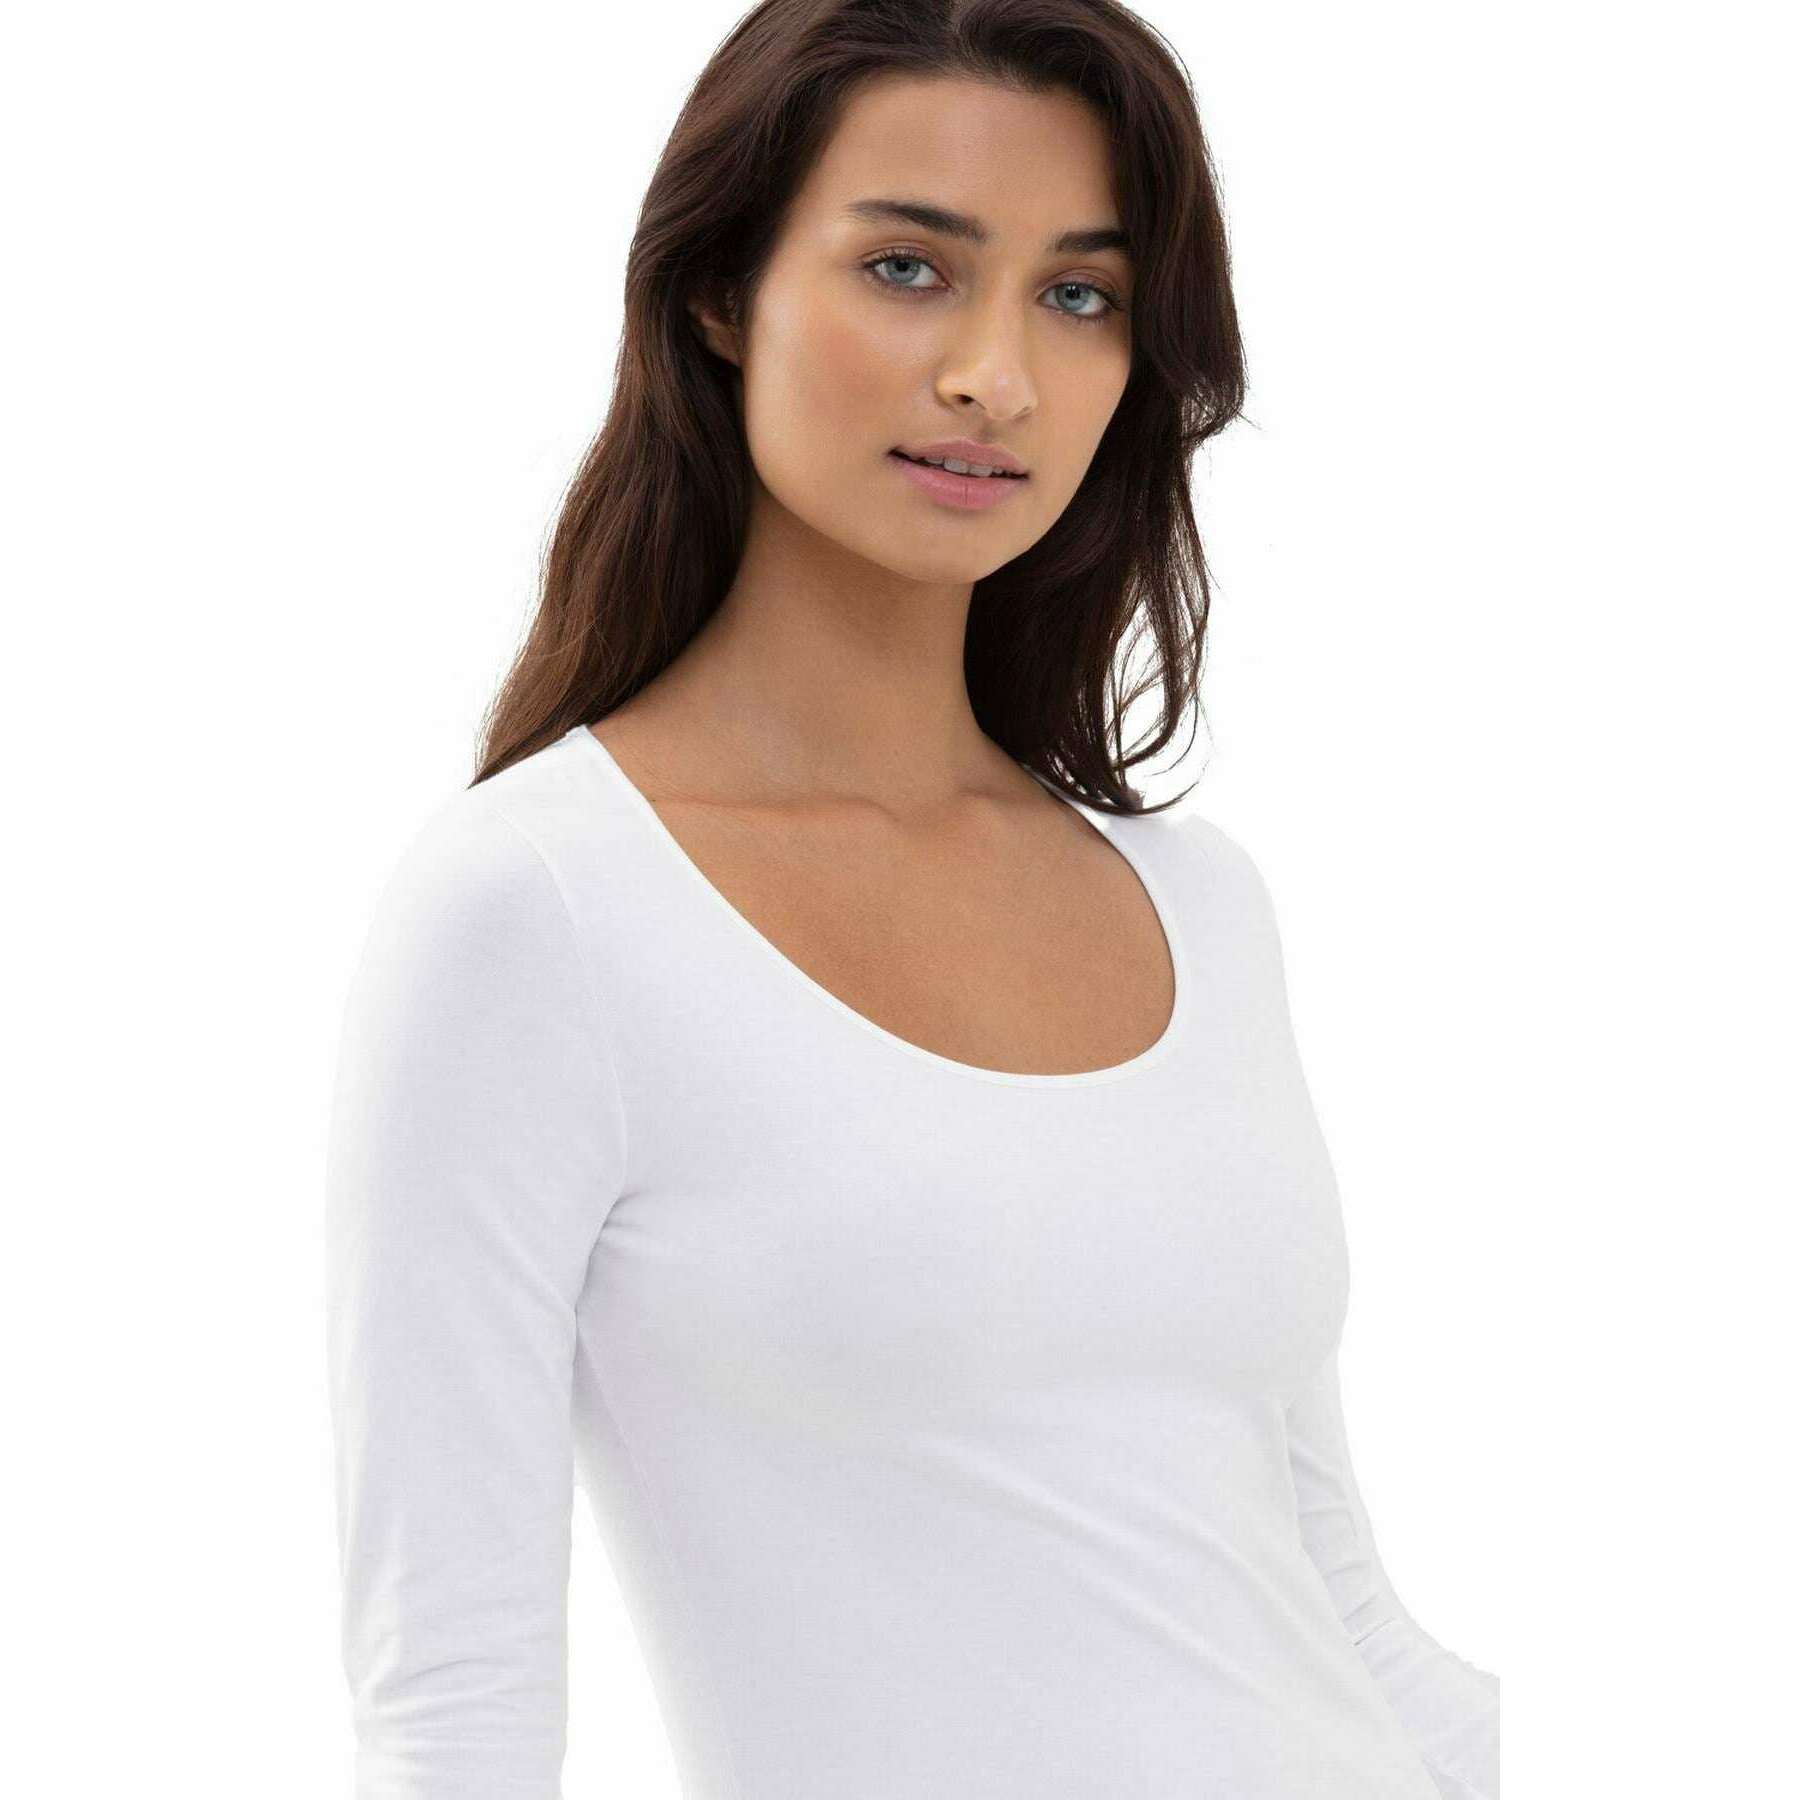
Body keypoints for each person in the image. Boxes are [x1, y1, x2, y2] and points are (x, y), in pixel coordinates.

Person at [322, 3, 1502, 1796]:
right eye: (907, 268)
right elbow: (454, 1702)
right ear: (720, 293)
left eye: (1080, 294)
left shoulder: (1199, 907)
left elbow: (1329, 1598)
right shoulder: (536, 911)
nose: (995, 377)